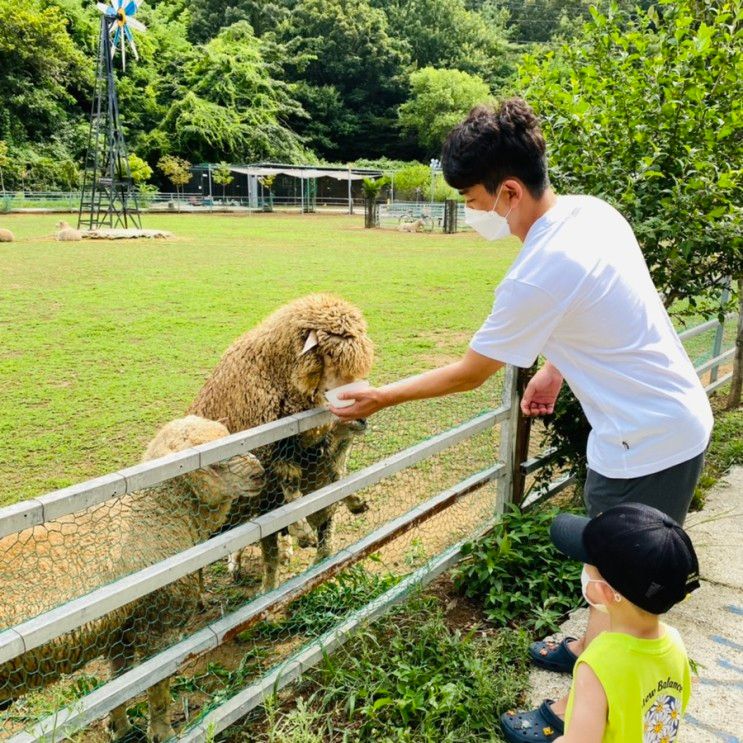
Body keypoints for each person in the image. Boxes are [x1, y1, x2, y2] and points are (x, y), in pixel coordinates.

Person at [330, 97, 713, 739]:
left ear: (509, 191)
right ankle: (585, 644)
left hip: (645, 444)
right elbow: (606, 304)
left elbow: (470, 371)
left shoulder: (538, 271)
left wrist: (377, 397)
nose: (476, 214)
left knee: (615, 582)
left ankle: (571, 712)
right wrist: (555, 367)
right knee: (606, 572)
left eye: (477, 202)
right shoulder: (591, 214)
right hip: (665, 417)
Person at [500, 503, 699, 743]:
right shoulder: (675, 643)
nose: (584, 570)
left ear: (604, 592)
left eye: (588, 566)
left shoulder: (597, 665)